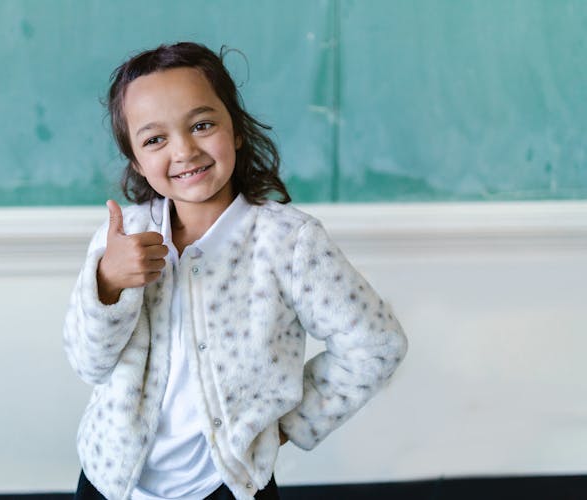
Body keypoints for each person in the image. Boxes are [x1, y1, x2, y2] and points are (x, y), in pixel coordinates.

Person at [63, 41, 408, 500]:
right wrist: (107, 284)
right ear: (138, 164)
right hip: (112, 481)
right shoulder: (122, 236)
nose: (184, 150)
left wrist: (284, 426)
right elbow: (89, 364)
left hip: (228, 487)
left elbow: (375, 344)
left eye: (202, 125)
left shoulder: (289, 242)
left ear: (236, 131)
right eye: (155, 139)